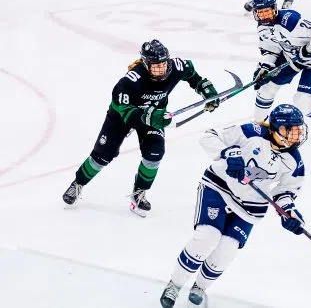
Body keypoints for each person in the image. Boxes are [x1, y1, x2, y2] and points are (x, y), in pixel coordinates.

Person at [159, 105, 308, 308]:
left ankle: (199, 287)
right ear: (275, 127)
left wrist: (288, 212)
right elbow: (209, 136)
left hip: (250, 205)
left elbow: (286, 190)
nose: (295, 135)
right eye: (289, 129)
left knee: (227, 250)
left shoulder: (294, 161)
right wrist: (230, 153)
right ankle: (175, 285)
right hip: (219, 187)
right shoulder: (252, 132)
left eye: (298, 129)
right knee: (207, 236)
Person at [61, 39, 219, 216]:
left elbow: (193, 76)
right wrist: (151, 116)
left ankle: (139, 193)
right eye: (156, 67)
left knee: (154, 154)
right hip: (121, 117)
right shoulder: (130, 81)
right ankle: (78, 183)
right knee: (102, 156)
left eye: (163, 64)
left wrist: (206, 90)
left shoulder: (176, 66)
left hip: (154, 117)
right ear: (145, 64)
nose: (161, 70)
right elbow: (127, 113)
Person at [251, 0, 311, 140]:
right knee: (266, 88)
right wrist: (265, 67)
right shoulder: (262, 28)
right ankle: (259, 127)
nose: (264, 16)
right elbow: (271, 49)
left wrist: (309, 49)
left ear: (274, 8)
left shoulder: (290, 21)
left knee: (301, 101)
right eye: (260, 13)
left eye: (267, 12)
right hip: (291, 58)